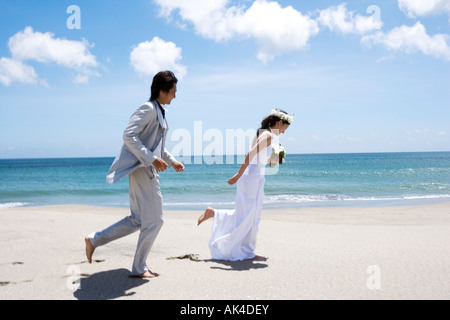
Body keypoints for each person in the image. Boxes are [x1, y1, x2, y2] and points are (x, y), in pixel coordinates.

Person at [85, 71, 185, 278]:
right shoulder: (148, 109)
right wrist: (151, 159)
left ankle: (94, 240)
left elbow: (156, 147)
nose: (175, 96)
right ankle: (139, 267)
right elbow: (128, 135)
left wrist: (172, 161)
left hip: (145, 167)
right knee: (156, 221)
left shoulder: (160, 111)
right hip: (141, 169)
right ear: (162, 90)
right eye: (173, 92)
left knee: (138, 220)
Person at [197, 109, 293, 261]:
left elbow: (258, 159)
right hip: (251, 178)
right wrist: (238, 175)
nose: (284, 132)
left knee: (247, 215)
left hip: (254, 177)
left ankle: (215, 214)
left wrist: (273, 159)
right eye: (284, 128)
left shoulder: (260, 134)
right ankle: (248, 252)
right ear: (280, 122)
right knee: (250, 216)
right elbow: (250, 155)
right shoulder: (267, 135)